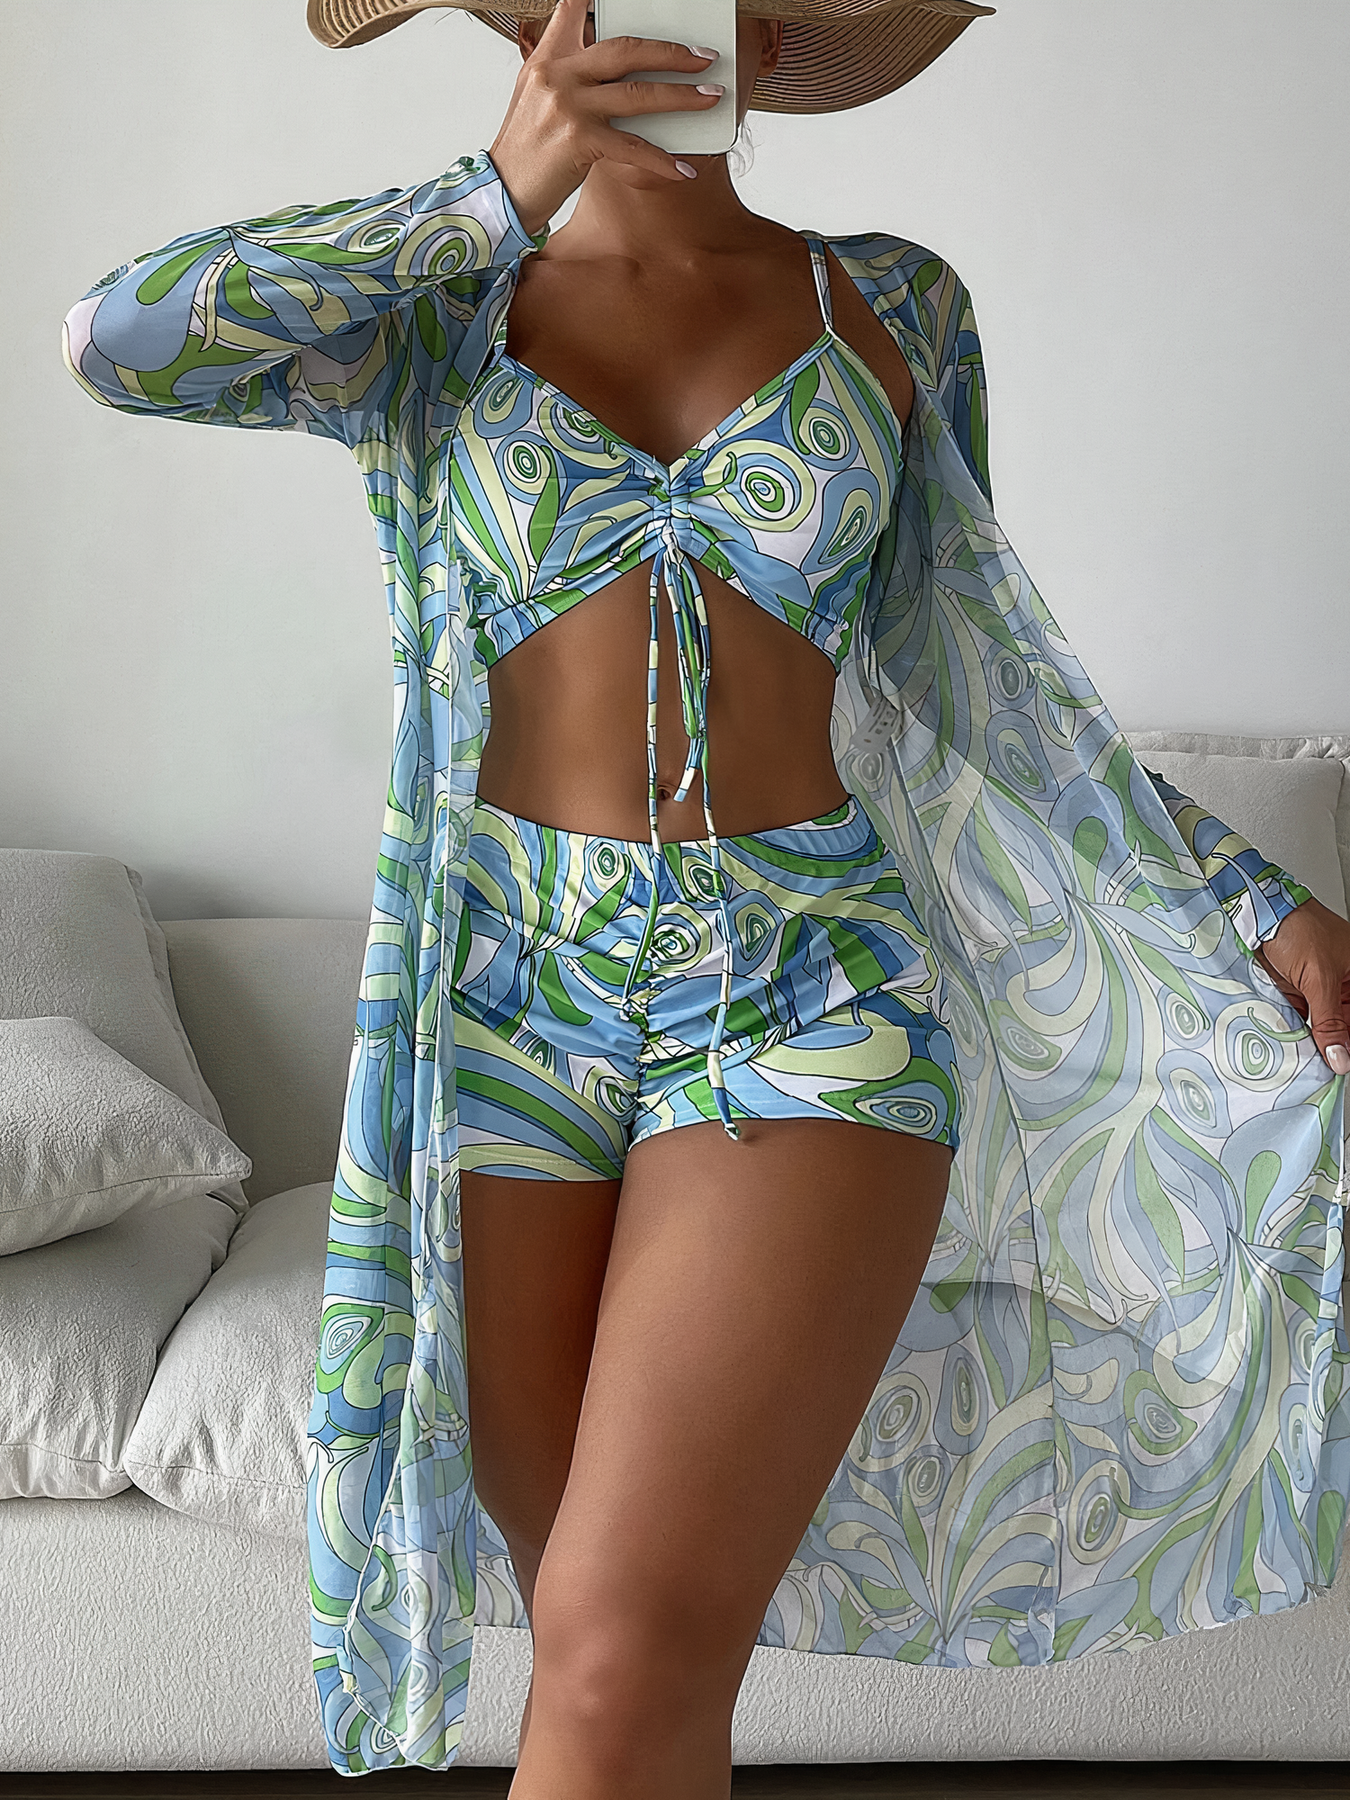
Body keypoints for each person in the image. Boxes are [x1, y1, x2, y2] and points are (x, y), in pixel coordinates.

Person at [61, 1, 1350, 1792]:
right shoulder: (425, 307)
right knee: (608, 1657)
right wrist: (490, 191)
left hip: (815, 986)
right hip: (500, 1006)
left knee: (620, 1647)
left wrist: (1240, 891)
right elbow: (115, 341)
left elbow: (970, 684)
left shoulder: (888, 303)